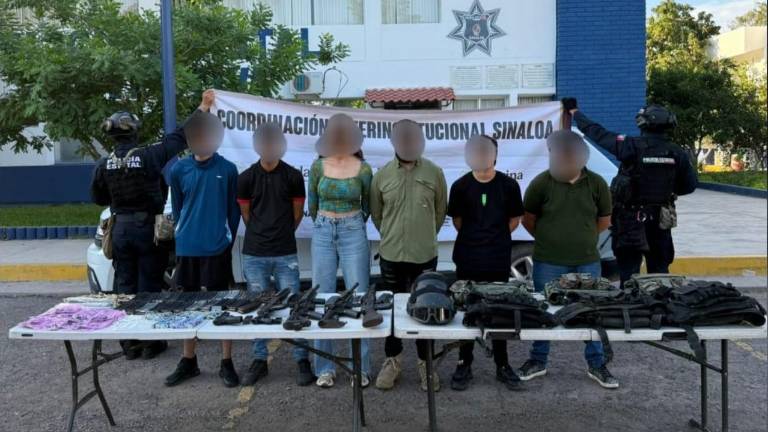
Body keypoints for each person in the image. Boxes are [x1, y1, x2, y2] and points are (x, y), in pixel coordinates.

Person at [90, 90, 213, 360]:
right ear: (134, 132)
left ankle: (129, 344)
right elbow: (180, 136)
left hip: (120, 230)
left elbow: (98, 198)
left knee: (125, 287)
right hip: (147, 230)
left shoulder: (104, 163)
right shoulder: (149, 156)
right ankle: (150, 343)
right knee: (149, 285)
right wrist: (203, 107)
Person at [517, 130, 618, 389]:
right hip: (548, 261)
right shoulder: (542, 183)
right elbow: (528, 219)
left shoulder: (597, 184)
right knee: (544, 312)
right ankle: (538, 360)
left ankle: (596, 363)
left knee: (590, 313)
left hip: (587, 261)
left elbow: (604, 220)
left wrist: (582, 239)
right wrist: (550, 239)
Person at [563, 98, 697, 286]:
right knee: (660, 276)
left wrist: (575, 112)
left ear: (642, 123)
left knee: (628, 276)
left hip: (630, 221)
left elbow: (598, 133)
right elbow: (689, 186)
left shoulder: (630, 146)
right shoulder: (677, 153)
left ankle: (631, 303)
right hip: (660, 222)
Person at [164, 109, 241, 388]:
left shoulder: (228, 169)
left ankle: (226, 362)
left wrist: (226, 241)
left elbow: (233, 212)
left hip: (217, 248)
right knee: (188, 306)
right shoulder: (179, 170)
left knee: (222, 305)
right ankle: (188, 360)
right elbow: (178, 208)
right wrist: (185, 235)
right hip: (187, 248)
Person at [370, 119, 447, 392]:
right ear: (393, 141)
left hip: (424, 255)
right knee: (392, 312)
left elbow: (440, 212)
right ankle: (392, 361)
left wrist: (422, 236)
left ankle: (426, 364)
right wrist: (393, 235)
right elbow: (377, 215)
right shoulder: (381, 176)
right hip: (391, 255)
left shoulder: (435, 173)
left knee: (427, 308)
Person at [236, 122, 314, 387]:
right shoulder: (245, 178)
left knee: (294, 306)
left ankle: (301, 358)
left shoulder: (293, 176)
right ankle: (260, 359)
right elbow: (246, 215)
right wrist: (262, 234)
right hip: (255, 253)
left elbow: (297, 214)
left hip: (285, 252)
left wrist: (280, 234)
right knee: (259, 308)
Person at [447, 134, 525, 391]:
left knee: (498, 311)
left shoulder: (509, 186)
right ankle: (464, 363)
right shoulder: (460, 186)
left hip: (497, 259)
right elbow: (458, 221)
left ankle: (502, 364)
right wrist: (476, 238)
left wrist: (494, 238)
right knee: (467, 311)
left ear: (495, 155)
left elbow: (515, 220)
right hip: (468, 258)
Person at [308, 113, 373, 389]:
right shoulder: (318, 166)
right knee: (322, 299)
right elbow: (312, 203)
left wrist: (351, 222)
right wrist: (327, 222)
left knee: (359, 298)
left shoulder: (364, 169)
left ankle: (361, 368)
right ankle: (324, 368)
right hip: (323, 230)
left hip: (353, 230)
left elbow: (368, 205)